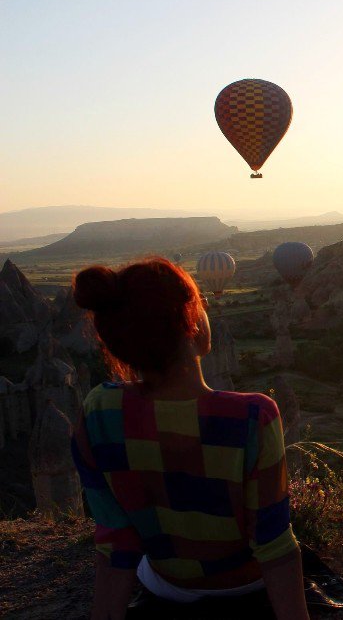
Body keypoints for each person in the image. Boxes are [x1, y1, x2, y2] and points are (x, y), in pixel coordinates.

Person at [70, 258, 309, 620]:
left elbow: (116, 539)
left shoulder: (98, 410)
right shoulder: (252, 416)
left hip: (168, 584)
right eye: (201, 303)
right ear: (193, 324)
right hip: (245, 582)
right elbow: (274, 545)